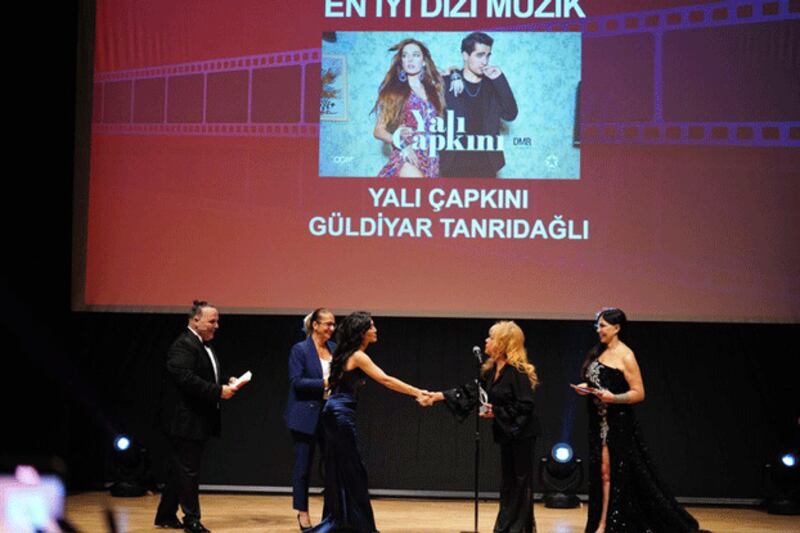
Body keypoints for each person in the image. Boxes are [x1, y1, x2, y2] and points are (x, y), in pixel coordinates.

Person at [572, 308, 709, 533]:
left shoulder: (626, 355)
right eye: (598, 325)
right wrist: (586, 388)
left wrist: (614, 398)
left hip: (618, 423)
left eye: (604, 325)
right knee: (602, 472)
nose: (599, 329)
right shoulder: (599, 352)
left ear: (617, 328)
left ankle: (607, 525)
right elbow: (597, 382)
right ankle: (600, 522)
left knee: (613, 472)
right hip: (597, 423)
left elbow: (639, 392)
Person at [311, 311, 429, 532]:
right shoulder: (357, 356)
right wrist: (417, 392)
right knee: (353, 471)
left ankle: (345, 522)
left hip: (334, 413)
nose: (375, 330)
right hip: (339, 416)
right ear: (362, 332)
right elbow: (386, 380)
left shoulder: (345, 354)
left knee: (343, 471)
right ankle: (357, 526)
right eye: (371, 327)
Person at [422, 321, 540, 533]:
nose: (486, 341)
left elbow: (526, 405)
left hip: (522, 433)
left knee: (520, 483)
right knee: (508, 483)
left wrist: (496, 411)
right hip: (507, 433)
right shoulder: (491, 370)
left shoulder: (517, 371)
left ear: (503, 343)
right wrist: (438, 396)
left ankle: (516, 529)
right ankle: (505, 527)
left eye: (491, 337)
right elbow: (471, 392)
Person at [155, 301, 238, 533]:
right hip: (185, 420)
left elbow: (201, 377)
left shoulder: (201, 345)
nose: (217, 326)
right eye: (212, 321)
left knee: (179, 469)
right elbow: (186, 379)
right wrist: (218, 391)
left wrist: (223, 384)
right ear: (195, 320)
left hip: (196, 418)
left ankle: (166, 514)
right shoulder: (183, 345)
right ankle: (191, 520)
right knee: (189, 471)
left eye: (217, 321)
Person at [284, 308, 337, 531]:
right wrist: (325, 383)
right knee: (303, 467)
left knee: (333, 467)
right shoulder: (300, 349)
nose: (332, 329)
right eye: (327, 324)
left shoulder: (335, 348)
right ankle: (302, 512)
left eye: (334, 324)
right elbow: (296, 382)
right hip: (305, 415)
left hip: (330, 414)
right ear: (315, 325)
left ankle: (332, 513)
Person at [440, 32, 518, 178]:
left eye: (488, 56)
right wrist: (453, 73)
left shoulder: (493, 84)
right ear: (465, 55)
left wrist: (500, 79)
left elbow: (510, 114)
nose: (485, 61)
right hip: (452, 163)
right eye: (480, 55)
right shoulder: (449, 81)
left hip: (486, 163)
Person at [373, 38, 445, 178]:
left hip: (431, 159)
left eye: (416, 55)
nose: (410, 59)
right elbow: (378, 131)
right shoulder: (396, 91)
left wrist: (454, 73)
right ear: (402, 62)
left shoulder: (434, 90)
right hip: (407, 155)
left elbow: (454, 70)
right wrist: (402, 144)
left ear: (424, 61)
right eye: (405, 56)